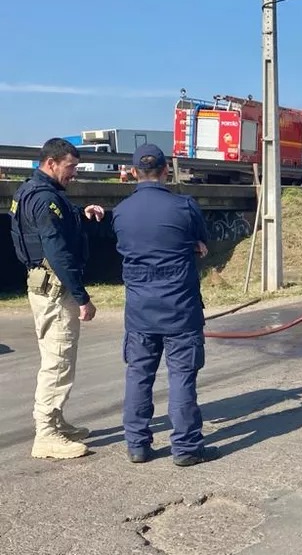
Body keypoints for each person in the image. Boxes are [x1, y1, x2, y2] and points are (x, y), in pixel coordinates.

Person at [111, 144, 218, 466]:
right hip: (180, 310)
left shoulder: (121, 211)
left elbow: (125, 247)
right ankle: (186, 448)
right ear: (165, 170)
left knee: (138, 375)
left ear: (132, 172)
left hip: (140, 311)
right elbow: (202, 244)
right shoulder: (184, 206)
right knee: (181, 376)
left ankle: (137, 445)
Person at [9, 138, 105, 459]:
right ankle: (46, 434)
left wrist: (81, 212)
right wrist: (82, 297)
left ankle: (56, 421)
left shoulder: (33, 192)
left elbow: (52, 220)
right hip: (56, 290)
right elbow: (57, 250)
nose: (74, 173)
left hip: (43, 287)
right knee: (58, 361)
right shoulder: (43, 199)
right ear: (52, 163)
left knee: (55, 357)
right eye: (71, 167)